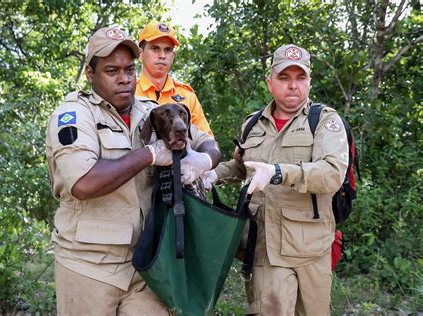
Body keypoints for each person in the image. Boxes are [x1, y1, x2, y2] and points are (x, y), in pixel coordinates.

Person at [45, 25, 220, 315]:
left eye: (129, 70)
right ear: (91, 74)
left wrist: (205, 161)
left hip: (145, 264)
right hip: (89, 265)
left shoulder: (152, 110)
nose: (124, 79)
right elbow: (84, 183)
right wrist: (149, 154)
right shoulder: (74, 115)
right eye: (112, 71)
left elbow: (205, 141)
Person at [203, 44, 349, 315]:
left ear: (309, 81)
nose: (292, 85)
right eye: (284, 78)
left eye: (300, 77)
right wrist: (212, 174)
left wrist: (279, 172)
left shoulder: (324, 121)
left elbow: (332, 173)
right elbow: (242, 166)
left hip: (310, 248)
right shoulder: (252, 124)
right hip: (264, 247)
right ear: (270, 82)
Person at [135, 21, 214, 136]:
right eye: (155, 49)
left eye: (168, 50)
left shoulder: (187, 96)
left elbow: (206, 139)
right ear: (140, 53)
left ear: (173, 56)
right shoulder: (129, 92)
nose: (162, 55)